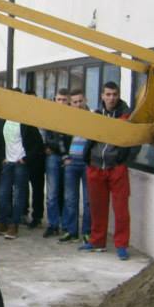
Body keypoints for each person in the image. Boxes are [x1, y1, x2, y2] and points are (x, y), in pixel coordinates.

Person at [80, 81, 133, 260]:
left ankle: (122, 245)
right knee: (97, 207)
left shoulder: (127, 115)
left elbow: (134, 142)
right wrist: (87, 158)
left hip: (116, 167)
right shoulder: (95, 114)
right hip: (95, 166)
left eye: (114, 94)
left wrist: (123, 159)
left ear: (118, 96)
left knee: (121, 209)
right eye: (108, 94)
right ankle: (97, 242)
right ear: (102, 95)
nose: (111, 98)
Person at [60, 89, 92, 244]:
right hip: (71, 163)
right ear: (70, 103)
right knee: (70, 199)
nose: (78, 105)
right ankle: (72, 232)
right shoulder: (67, 118)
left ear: (85, 100)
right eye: (75, 102)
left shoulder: (93, 117)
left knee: (88, 200)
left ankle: (87, 232)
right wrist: (65, 156)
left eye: (80, 101)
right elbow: (61, 137)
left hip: (87, 163)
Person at [0, 90, 30, 240]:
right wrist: (3, 156)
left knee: (18, 195)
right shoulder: (5, 118)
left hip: (20, 163)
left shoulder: (25, 120)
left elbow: (34, 141)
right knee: (3, 193)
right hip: (8, 162)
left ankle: (13, 225)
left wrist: (25, 158)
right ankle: (3, 222)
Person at [40, 88, 70, 238]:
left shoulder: (73, 116)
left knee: (66, 193)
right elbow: (43, 133)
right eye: (59, 99)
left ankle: (65, 225)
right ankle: (53, 224)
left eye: (64, 100)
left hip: (68, 157)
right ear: (55, 99)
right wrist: (46, 146)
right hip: (53, 156)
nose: (62, 102)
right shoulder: (49, 115)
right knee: (51, 194)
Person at [21, 95, 45, 229]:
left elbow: (38, 143)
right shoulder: (23, 120)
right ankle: (25, 213)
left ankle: (37, 216)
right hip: (26, 159)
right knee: (24, 188)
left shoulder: (40, 118)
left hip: (36, 160)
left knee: (37, 189)